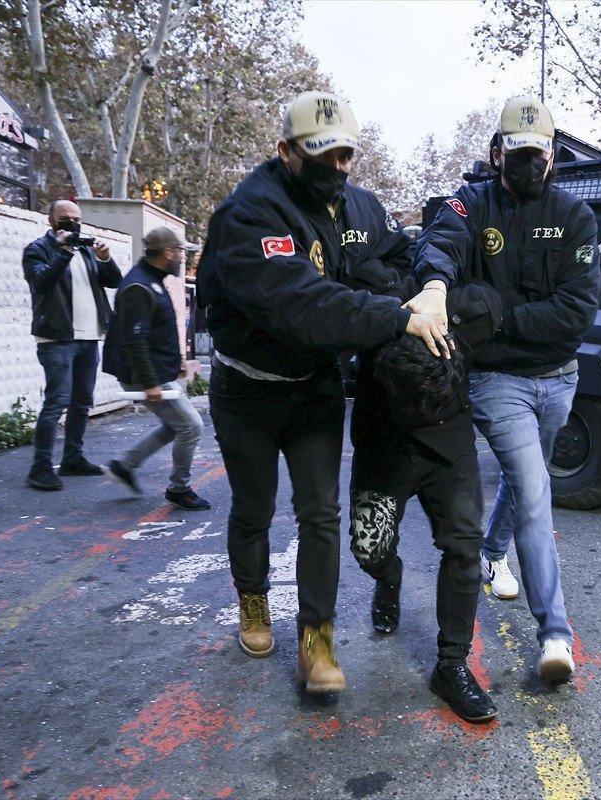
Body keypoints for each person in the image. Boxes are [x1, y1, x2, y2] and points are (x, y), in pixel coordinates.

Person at [197, 91, 448, 694]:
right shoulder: (249, 214)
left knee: (320, 513)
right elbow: (303, 305)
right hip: (247, 392)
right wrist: (395, 315)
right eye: (323, 155)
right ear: (285, 152)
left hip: (314, 387)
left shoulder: (358, 205)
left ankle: (317, 639)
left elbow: (401, 253)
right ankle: (254, 602)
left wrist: (434, 282)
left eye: (346, 155)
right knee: (254, 508)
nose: (338, 167)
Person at [411, 97, 601, 684]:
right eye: (515, 151)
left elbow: (577, 312)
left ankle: (493, 556)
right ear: (496, 153)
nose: (526, 161)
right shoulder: (473, 202)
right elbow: (439, 241)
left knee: (528, 483)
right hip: (497, 382)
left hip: (558, 379)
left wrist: (495, 314)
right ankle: (556, 635)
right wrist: (439, 286)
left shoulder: (576, 217)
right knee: (534, 491)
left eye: (537, 153)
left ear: (552, 157)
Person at [345, 259, 502, 723]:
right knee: (368, 551)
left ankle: (451, 665)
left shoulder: (467, 312)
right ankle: (388, 577)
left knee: (464, 549)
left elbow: (502, 306)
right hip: (384, 447)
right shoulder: (368, 317)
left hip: (447, 446)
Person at [101, 227, 211, 511]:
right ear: (168, 252)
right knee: (191, 426)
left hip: (154, 372)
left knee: (176, 426)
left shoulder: (152, 280)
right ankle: (179, 488)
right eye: (181, 252)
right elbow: (134, 341)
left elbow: (154, 334)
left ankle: (125, 466)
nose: (183, 258)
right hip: (143, 374)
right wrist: (149, 384)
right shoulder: (139, 287)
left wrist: (177, 364)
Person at [22, 200, 123, 491]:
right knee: (57, 401)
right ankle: (39, 468)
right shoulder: (37, 250)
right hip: (57, 337)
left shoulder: (87, 250)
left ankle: (73, 459)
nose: (71, 223)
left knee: (82, 402)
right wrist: (64, 251)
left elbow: (114, 281)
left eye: (76, 218)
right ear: (51, 220)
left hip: (89, 337)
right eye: (65, 218)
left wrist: (104, 257)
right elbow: (41, 281)